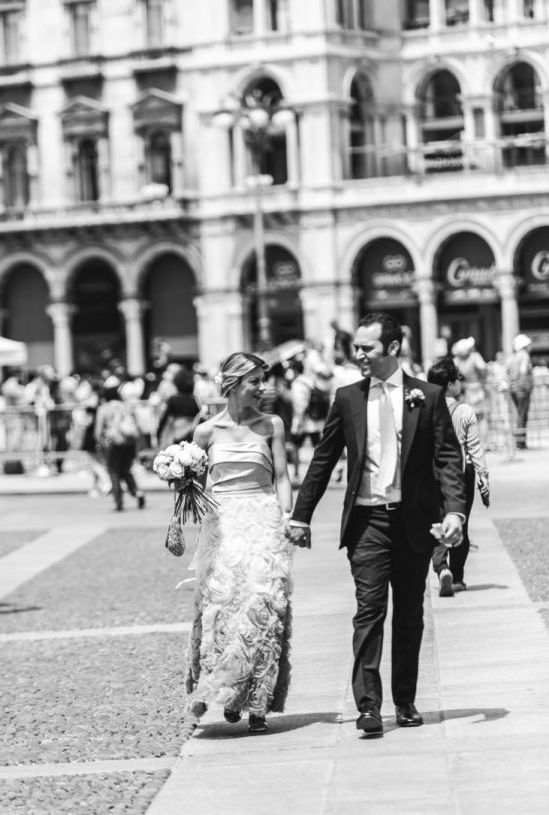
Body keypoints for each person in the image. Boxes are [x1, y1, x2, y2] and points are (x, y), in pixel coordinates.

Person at [286, 312, 466, 736]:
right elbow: (324, 458)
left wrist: (455, 511)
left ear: (392, 348)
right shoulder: (347, 398)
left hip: (413, 521)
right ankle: (368, 705)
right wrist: (301, 515)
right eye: (358, 348)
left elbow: (446, 459)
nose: (358, 354)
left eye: (366, 347)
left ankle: (405, 701)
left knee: (409, 614)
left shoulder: (429, 396)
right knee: (369, 611)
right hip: (367, 522)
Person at [186, 352, 294, 735]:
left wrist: (286, 519)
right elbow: (197, 489)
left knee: (263, 608)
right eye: (255, 381)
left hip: (263, 522)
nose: (262, 387)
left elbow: (282, 477)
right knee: (224, 612)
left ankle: (259, 703)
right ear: (233, 384)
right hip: (223, 526)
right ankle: (229, 691)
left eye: (262, 379)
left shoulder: (271, 425)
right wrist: (182, 480)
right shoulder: (205, 432)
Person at [427, 358, 490, 596]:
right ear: (452, 384)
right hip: (463, 473)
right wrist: (484, 477)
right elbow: (474, 448)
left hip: (433, 472)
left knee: (436, 521)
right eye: (458, 379)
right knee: (460, 520)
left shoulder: (425, 408)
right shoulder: (464, 410)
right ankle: (458, 577)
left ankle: (442, 567)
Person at [94, 377, 145, 512]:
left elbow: (98, 431)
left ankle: (119, 501)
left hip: (113, 443)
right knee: (126, 470)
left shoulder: (104, 409)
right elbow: (137, 425)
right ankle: (137, 491)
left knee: (114, 472)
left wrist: (99, 444)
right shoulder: (126, 407)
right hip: (129, 442)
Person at [156, 367, 202, 446]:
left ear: (176, 383)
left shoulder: (173, 399)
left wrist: (158, 434)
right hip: (192, 434)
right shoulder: (195, 399)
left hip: (177, 433)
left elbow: (164, 418)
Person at [505, 334, 534, 449]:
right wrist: (524, 386)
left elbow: (507, 370)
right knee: (522, 415)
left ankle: (519, 440)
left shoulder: (513, 356)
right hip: (521, 389)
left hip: (513, 388)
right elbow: (523, 371)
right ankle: (521, 442)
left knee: (519, 414)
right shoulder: (524, 355)